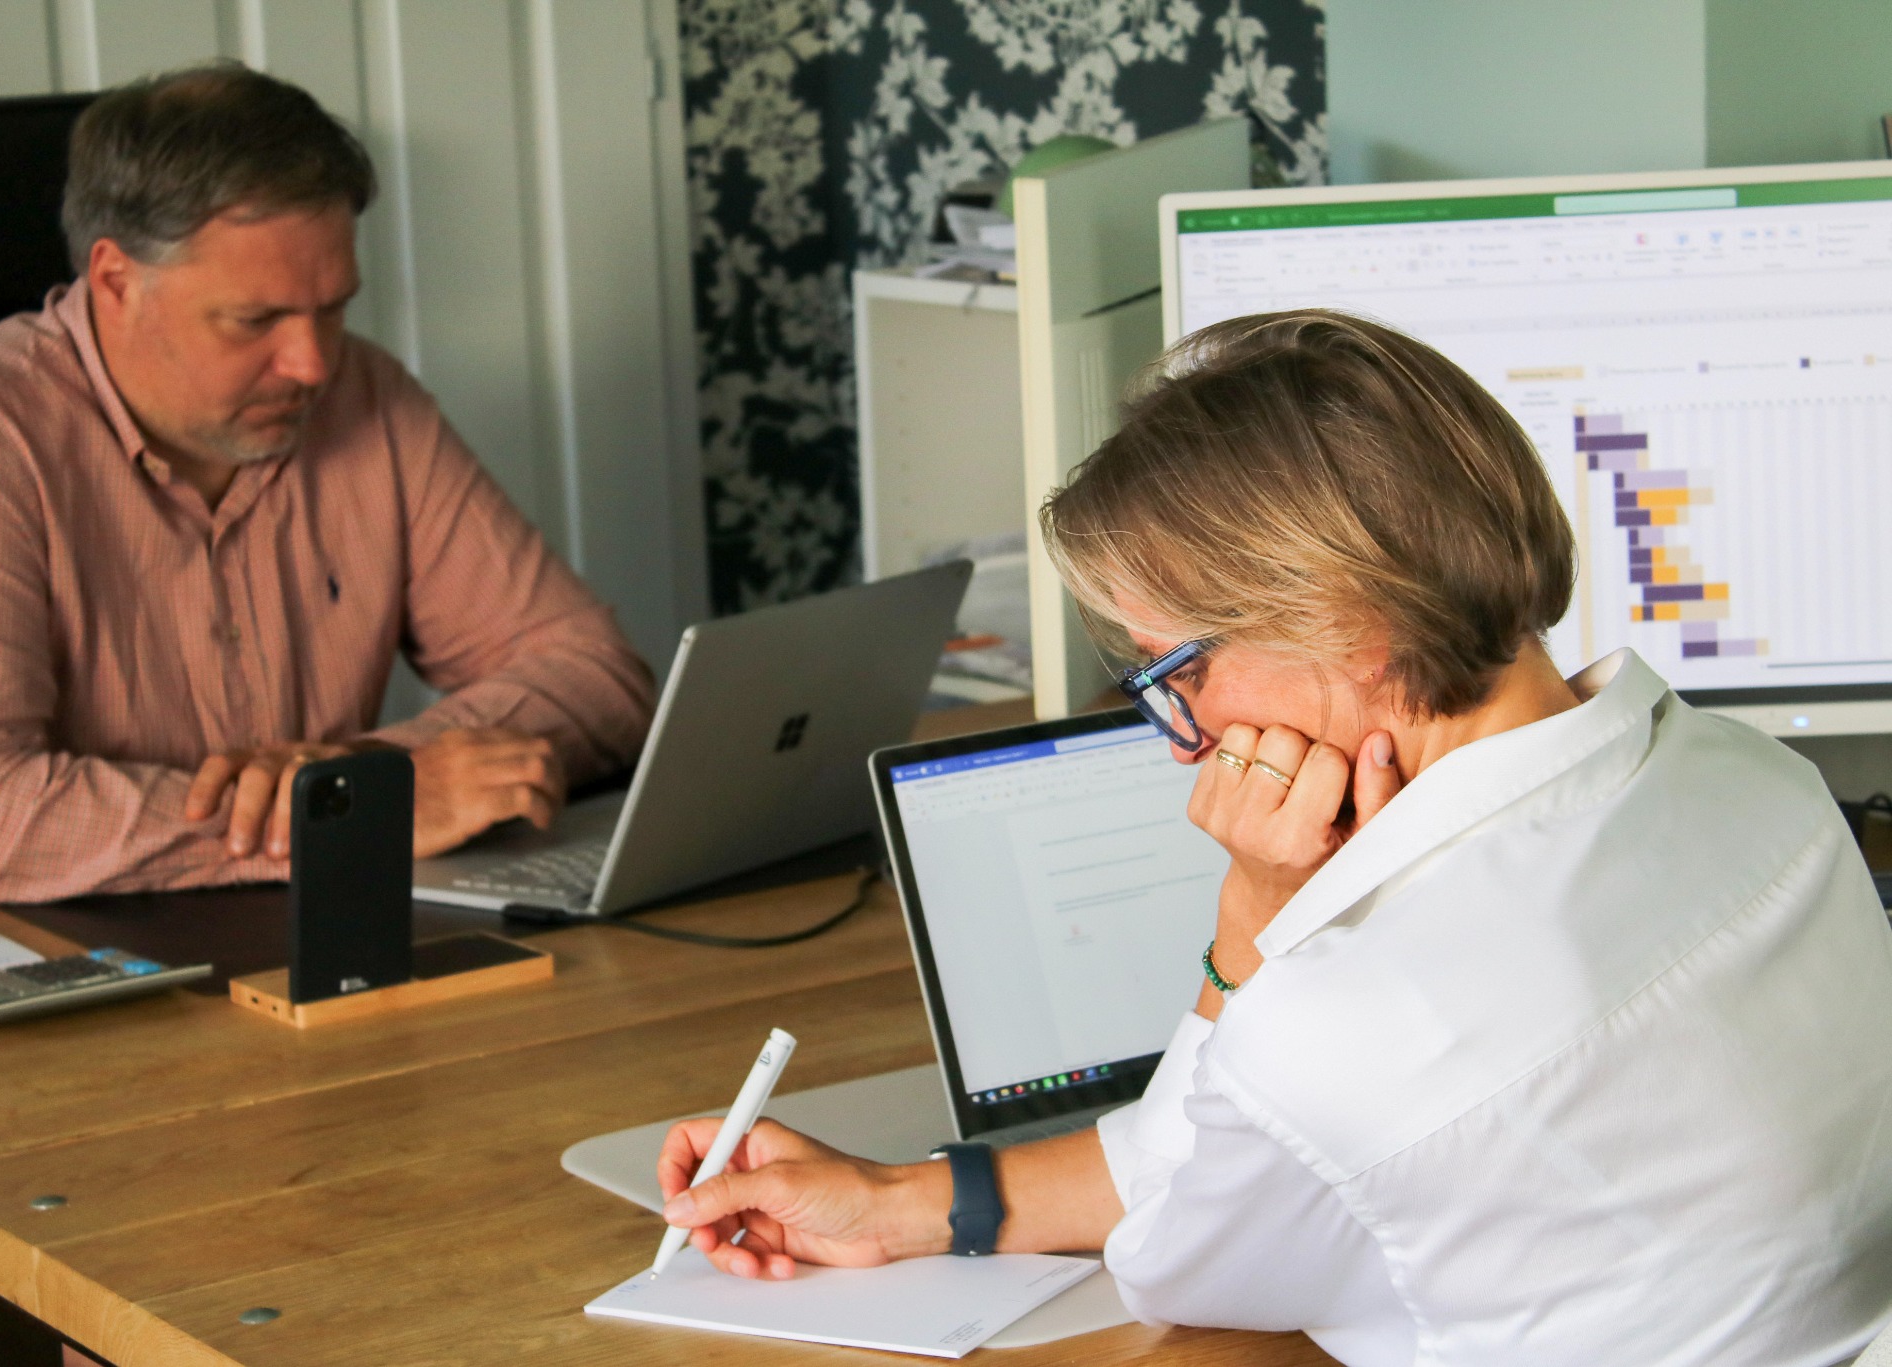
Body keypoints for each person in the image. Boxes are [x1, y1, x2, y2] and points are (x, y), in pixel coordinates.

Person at [654, 312, 1892, 1365]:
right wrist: (896, 1197)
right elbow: (1236, 1161)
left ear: (1351, 624)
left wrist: (1250, 925)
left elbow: (1175, 1250)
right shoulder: (1761, 785)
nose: (1181, 737)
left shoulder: (1354, 1011)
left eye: (1177, 671)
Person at [0, 64, 654, 902]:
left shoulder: (368, 399)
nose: (312, 364)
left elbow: (599, 674)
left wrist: (375, 772)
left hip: (279, 921)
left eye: (333, 308)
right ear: (116, 282)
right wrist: (340, 813)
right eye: (255, 319)